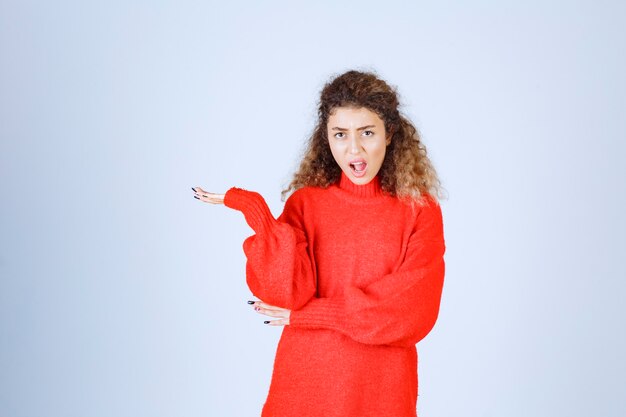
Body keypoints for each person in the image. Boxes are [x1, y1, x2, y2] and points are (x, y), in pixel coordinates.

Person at [192, 69, 446, 417]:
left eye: (367, 133)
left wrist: (311, 314)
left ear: (389, 135)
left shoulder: (419, 210)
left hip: (380, 391)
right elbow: (282, 294)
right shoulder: (305, 204)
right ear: (326, 138)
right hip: (304, 384)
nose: (354, 148)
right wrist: (259, 216)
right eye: (340, 134)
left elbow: (410, 312)